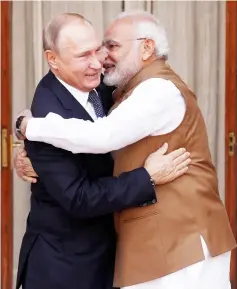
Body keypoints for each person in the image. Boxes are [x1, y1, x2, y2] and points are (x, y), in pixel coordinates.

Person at [16, 11, 236, 289]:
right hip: (65, 263)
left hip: (179, 246)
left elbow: (102, 136)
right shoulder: (82, 97)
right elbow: (80, 192)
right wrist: (27, 137)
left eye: (109, 47)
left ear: (147, 47)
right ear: (53, 60)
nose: (100, 60)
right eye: (88, 54)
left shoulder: (151, 90)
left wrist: (28, 127)